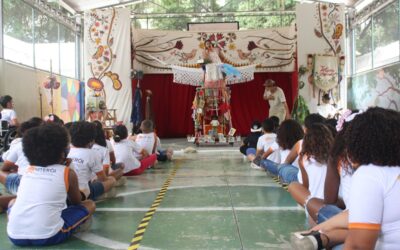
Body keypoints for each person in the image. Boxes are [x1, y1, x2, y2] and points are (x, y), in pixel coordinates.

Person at [7, 124, 96, 246]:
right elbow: (77, 202)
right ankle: (75, 227)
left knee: (13, 202)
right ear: (62, 152)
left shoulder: (28, 170)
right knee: (90, 204)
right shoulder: (67, 172)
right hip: (50, 235)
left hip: (14, 236)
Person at [67, 121, 116, 200]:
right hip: (83, 193)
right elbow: (102, 179)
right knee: (112, 180)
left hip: (68, 193)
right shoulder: (93, 153)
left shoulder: (66, 151)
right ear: (92, 139)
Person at [0, 117, 43, 195]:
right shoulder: (54, 145)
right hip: (46, 184)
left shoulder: (21, 144)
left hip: (24, 182)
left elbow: (5, 167)